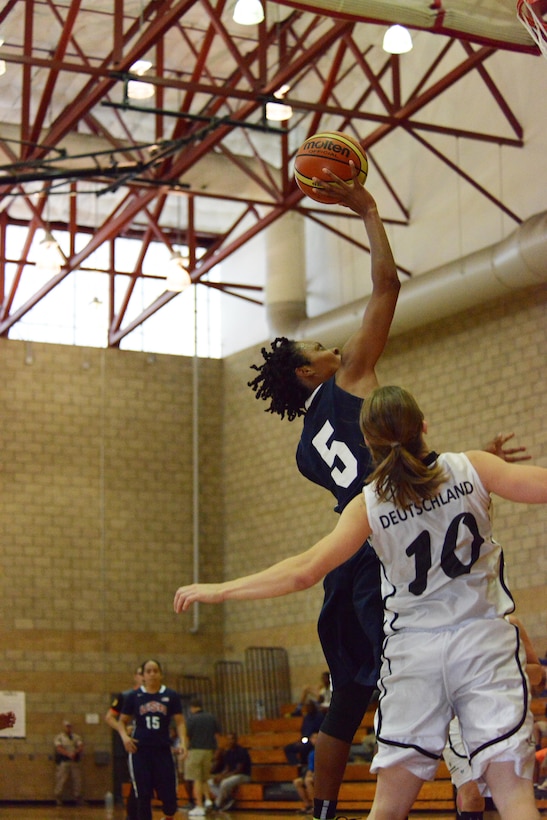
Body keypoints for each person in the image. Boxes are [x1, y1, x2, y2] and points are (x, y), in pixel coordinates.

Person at [246, 165, 529, 820]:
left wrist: (460, 460)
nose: (335, 344)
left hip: (348, 560)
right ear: (308, 368)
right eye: (321, 344)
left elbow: (386, 469)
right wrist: (368, 208)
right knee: (451, 665)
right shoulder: (351, 374)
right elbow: (386, 284)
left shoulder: (301, 451)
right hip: (392, 549)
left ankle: (322, 811)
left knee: (347, 694)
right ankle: (468, 800)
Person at [174, 384, 547, 820]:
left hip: (414, 657)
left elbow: (304, 570)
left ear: (368, 442)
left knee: (386, 809)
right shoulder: (473, 467)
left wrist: (221, 589)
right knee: (515, 800)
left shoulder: (368, 504)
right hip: (483, 646)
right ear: (424, 426)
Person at [445, 614, 547, 820]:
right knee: (472, 796)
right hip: (460, 722)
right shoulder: (447, 627)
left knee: (511, 800)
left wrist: (502, 670)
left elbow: (538, 675)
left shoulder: (511, 623)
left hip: (505, 719)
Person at [117, 659, 184, 820]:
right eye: (148, 671)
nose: (152, 674)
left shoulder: (171, 695)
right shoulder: (134, 696)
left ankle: (168, 815)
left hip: (162, 750)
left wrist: (183, 743)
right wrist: (125, 737)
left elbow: (180, 722)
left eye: (155, 671)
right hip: (140, 751)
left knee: (169, 798)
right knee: (143, 795)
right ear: (143, 676)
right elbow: (121, 722)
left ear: (161, 674)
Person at [104, 664, 144, 818]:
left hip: (151, 743)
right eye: (141, 673)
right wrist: (123, 732)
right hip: (133, 743)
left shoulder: (157, 697)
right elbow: (109, 717)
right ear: (136, 676)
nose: (144, 677)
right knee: (137, 781)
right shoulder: (127, 695)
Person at [183, 696, 221, 817]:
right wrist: (217, 749)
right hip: (209, 750)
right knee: (204, 777)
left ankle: (199, 805)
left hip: (195, 751)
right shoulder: (211, 717)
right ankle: (208, 800)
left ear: (192, 708)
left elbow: (186, 736)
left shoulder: (191, 719)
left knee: (196, 779)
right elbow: (218, 734)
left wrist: (184, 751)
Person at [207, 731, 252, 811]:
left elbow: (239, 770)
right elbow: (227, 768)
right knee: (210, 782)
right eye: (229, 739)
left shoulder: (242, 751)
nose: (231, 741)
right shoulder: (228, 752)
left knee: (225, 783)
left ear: (236, 740)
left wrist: (225, 777)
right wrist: (221, 775)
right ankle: (228, 800)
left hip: (243, 776)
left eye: (232, 739)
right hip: (232, 775)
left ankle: (218, 804)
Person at [285, 700, 325, 768]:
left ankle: (305, 766)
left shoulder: (319, 716)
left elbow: (321, 730)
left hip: (315, 741)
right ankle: (297, 765)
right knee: (288, 748)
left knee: (306, 748)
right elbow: (304, 730)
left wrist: (315, 738)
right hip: (305, 740)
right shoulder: (307, 717)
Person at [54, 719, 85, 807]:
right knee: (61, 780)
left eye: (70, 726)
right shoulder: (59, 737)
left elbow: (80, 746)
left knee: (77, 780)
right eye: (67, 726)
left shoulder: (76, 737)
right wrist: (68, 754)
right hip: (64, 761)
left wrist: (75, 752)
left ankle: (78, 798)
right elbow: (59, 748)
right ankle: (58, 798)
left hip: (74, 761)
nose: (68, 728)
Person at [293, 732, 317, 814]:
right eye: (314, 738)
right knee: (297, 782)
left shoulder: (325, 751)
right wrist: (308, 775)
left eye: (317, 738)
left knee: (308, 781)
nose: (315, 740)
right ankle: (308, 805)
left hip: (324, 775)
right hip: (314, 774)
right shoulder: (311, 753)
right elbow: (310, 768)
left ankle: (316, 807)